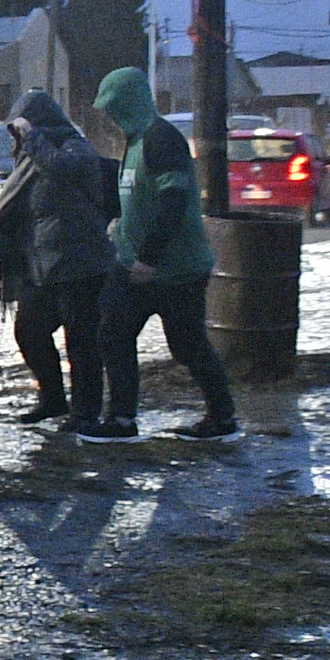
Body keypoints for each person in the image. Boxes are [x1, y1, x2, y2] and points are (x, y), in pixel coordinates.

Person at [89, 65, 240, 443]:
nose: (108, 117)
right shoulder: (136, 141)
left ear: (128, 102)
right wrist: (120, 230)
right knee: (113, 334)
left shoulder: (161, 140)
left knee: (188, 345)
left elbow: (172, 201)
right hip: (137, 265)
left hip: (173, 270)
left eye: (112, 107)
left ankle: (222, 417)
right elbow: (137, 198)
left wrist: (149, 258)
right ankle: (121, 419)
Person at [0, 89, 116, 424]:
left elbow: (64, 168)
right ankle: (52, 398)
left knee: (81, 343)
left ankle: (85, 412)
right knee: (29, 331)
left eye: (22, 130)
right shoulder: (28, 160)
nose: (18, 138)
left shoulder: (73, 147)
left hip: (80, 264)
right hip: (42, 269)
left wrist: (34, 139)